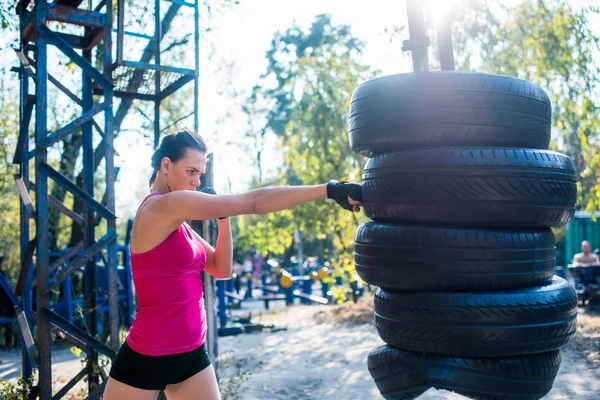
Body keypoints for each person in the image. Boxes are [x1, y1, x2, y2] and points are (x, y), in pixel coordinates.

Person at [103, 129, 362, 400]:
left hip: (190, 357)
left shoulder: (181, 226)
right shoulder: (161, 207)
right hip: (147, 356)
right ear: (166, 165)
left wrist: (222, 217)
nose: (196, 181)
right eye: (191, 171)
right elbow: (255, 203)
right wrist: (329, 190)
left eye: (200, 174)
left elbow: (220, 268)